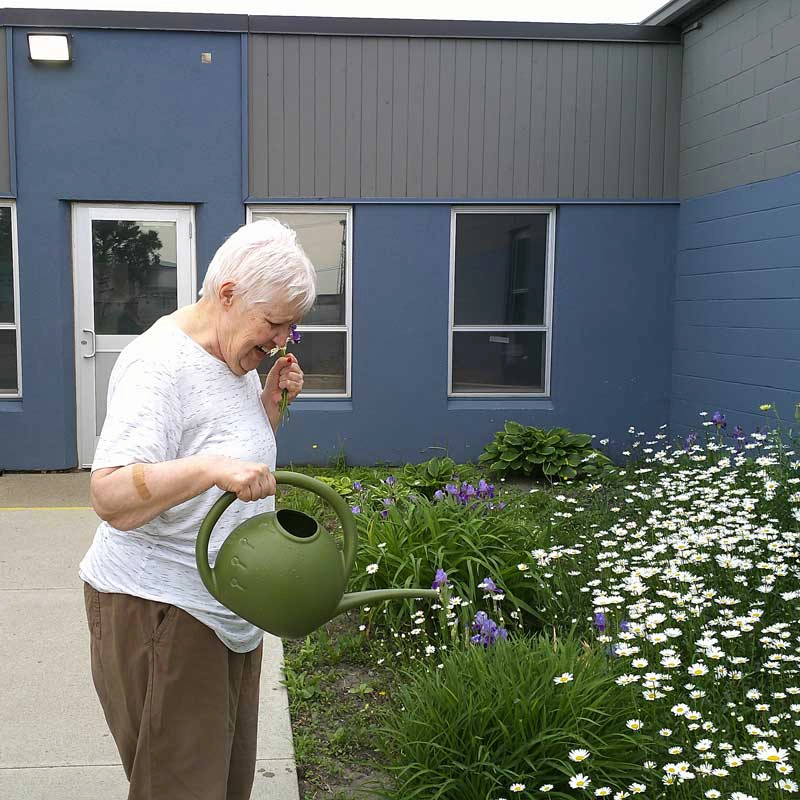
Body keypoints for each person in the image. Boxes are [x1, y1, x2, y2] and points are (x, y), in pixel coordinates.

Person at [79, 218, 316, 800]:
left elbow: (226, 455)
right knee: (182, 789)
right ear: (228, 294)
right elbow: (109, 495)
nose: (283, 340)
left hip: (225, 608)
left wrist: (267, 409)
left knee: (223, 786)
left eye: (292, 327)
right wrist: (212, 467)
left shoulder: (231, 358)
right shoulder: (158, 366)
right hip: (165, 610)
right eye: (275, 322)